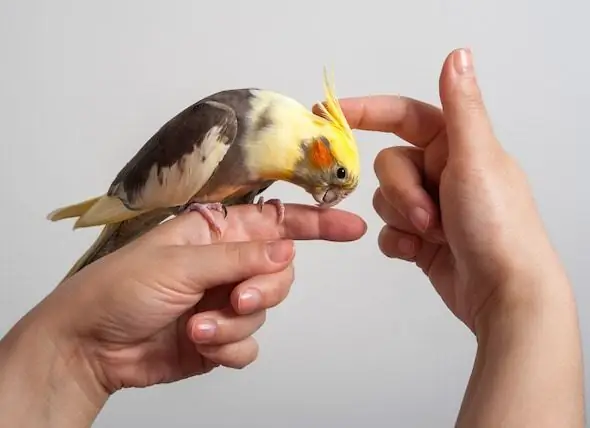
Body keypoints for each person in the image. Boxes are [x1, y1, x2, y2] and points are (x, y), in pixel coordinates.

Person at [0, 48, 584, 427]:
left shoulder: (280, 152)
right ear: (321, 152)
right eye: (336, 179)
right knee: (98, 265)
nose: (329, 194)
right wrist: (522, 302)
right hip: (149, 200)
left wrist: (71, 356)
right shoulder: (232, 122)